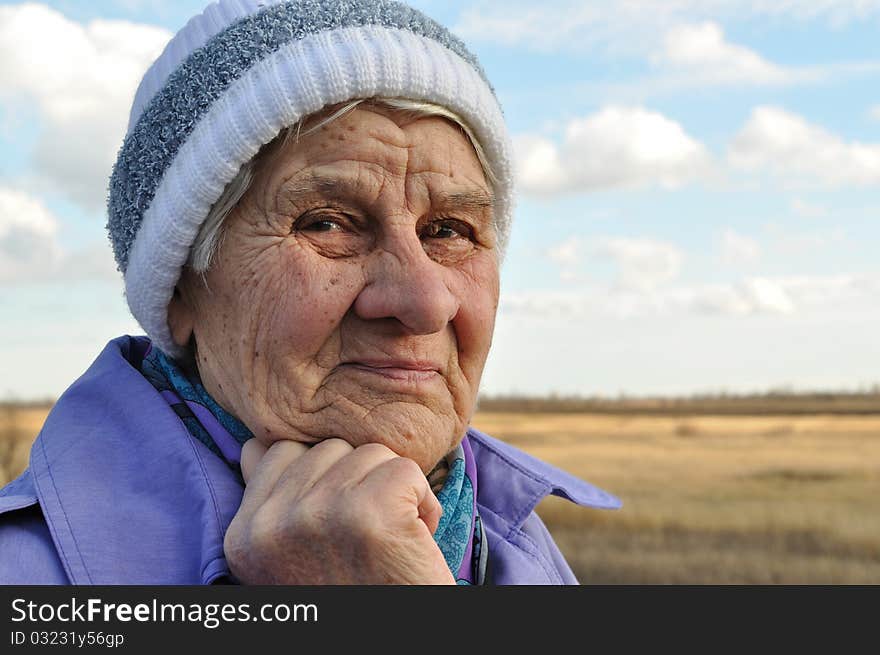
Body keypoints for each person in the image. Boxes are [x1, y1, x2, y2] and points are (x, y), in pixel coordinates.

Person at [0, 0, 620, 585]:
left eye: (450, 231)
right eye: (326, 222)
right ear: (180, 290)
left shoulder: (513, 543)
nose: (426, 301)